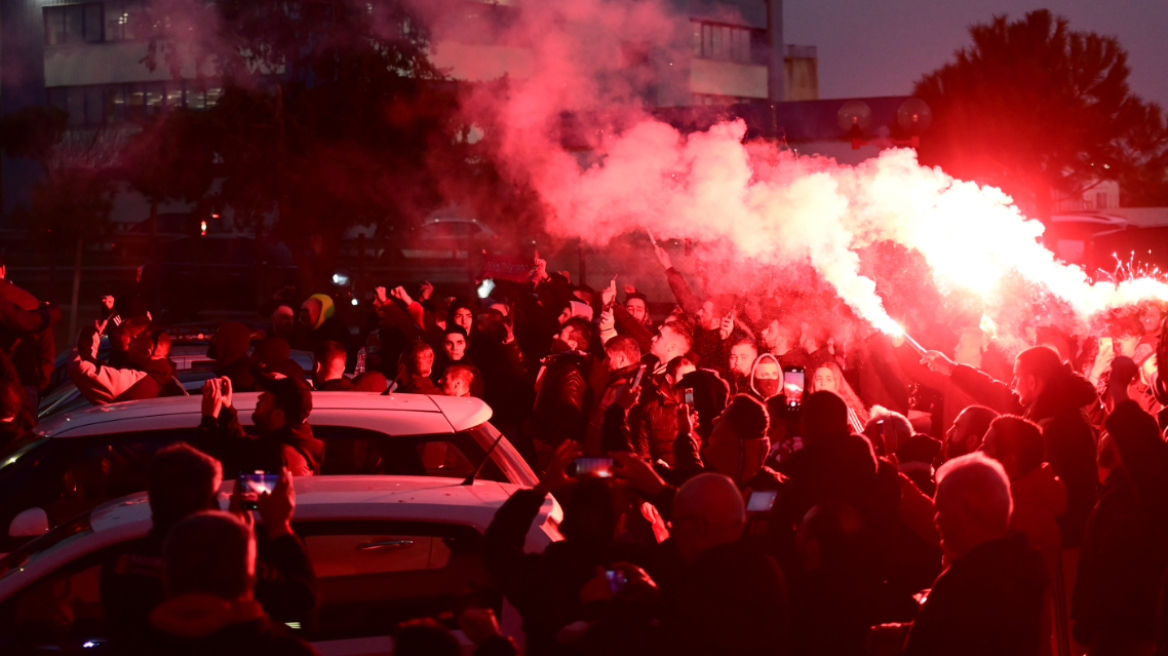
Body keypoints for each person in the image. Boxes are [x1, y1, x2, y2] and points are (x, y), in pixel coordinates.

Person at [100, 444, 317, 656]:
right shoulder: (223, 564)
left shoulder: (117, 564)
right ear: (207, 501)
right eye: (215, 494)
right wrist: (280, 527)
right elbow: (301, 598)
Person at [924, 345, 1098, 548]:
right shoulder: (1051, 405)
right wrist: (952, 369)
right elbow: (999, 393)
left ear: (1032, 382)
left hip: (1062, 542)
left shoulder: (1062, 423)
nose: (1013, 384)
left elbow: (1052, 493)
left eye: (1017, 377)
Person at [903, 453, 1047, 656]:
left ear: (966, 511)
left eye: (940, 509)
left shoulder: (969, 589)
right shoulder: (1018, 569)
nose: (936, 520)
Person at [652, 473, 790, 656]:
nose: (674, 533)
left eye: (675, 524)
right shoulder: (768, 570)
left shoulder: (688, 590)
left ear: (699, 527)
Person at [145, 511, 319, 656]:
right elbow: (304, 603)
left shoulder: (133, 645)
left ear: (166, 579)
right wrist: (280, 526)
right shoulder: (287, 651)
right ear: (252, 578)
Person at [981, 416, 1067, 656]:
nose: (978, 450)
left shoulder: (1019, 516)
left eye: (986, 445)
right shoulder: (1021, 501)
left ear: (1009, 460)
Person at [198, 366, 323, 476]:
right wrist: (227, 408)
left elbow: (210, 463)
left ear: (278, 414)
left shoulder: (278, 457)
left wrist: (209, 419)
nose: (260, 396)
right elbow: (242, 445)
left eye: (267, 395)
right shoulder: (289, 443)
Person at [529, 317, 596, 470]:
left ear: (572, 345)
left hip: (550, 449)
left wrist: (549, 446)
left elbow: (569, 413)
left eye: (561, 334)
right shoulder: (560, 365)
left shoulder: (570, 370)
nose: (555, 336)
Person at [69, 326, 148, 404]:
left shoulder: (136, 380)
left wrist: (91, 331)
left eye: (120, 331)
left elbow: (82, 366)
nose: (113, 334)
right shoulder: (152, 376)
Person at [809, 359, 869, 434]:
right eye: (818, 379)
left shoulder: (846, 410)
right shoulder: (810, 410)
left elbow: (863, 440)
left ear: (837, 383)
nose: (822, 383)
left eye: (828, 379)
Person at [209, 322, 258, 392]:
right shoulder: (232, 365)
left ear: (230, 340)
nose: (212, 339)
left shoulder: (240, 371)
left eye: (218, 336)